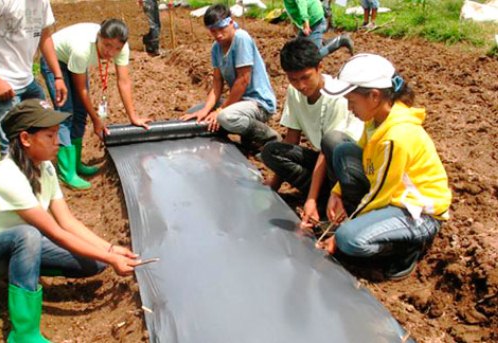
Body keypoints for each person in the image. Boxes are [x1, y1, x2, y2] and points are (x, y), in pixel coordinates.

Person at [0, 99, 140, 342]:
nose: (58, 141)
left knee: (95, 263)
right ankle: (24, 333)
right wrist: (112, 258)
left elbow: (68, 222)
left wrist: (110, 251)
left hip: (19, 245)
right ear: (26, 139)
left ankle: (24, 267)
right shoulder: (8, 177)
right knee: (27, 235)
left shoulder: (45, 169)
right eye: (50, 136)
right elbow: (56, 234)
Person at [317, 54, 451, 280]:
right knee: (341, 149)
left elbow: (380, 194)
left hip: (417, 211)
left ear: (374, 96)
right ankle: (363, 223)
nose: (350, 109)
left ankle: (405, 247)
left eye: (352, 102)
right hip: (391, 194)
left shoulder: (397, 136)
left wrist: (339, 233)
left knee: (348, 240)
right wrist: (336, 192)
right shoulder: (375, 120)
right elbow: (361, 155)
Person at [261, 38, 363, 230]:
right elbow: (292, 138)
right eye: (293, 79)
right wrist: (273, 186)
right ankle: (323, 198)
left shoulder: (336, 97)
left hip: (344, 166)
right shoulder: (295, 92)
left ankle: (333, 203)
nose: (301, 85)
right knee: (272, 152)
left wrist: (310, 200)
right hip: (324, 161)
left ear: (319, 67)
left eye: (306, 77)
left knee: (331, 145)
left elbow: (328, 151)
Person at [40, 19, 152, 189]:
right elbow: (81, 91)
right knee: (65, 113)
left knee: (79, 113)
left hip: (74, 61)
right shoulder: (82, 49)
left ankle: (76, 163)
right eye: (107, 45)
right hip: (54, 60)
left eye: (116, 49)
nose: (111, 52)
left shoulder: (121, 48)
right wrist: (96, 119)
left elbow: (124, 82)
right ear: (98, 36)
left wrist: (133, 116)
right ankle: (66, 172)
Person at [0, 0, 68, 156]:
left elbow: (45, 36)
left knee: (42, 134)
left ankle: (37, 177)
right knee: (12, 147)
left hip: (27, 80)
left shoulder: (42, 2)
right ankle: (18, 178)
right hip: (2, 85)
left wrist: (58, 76)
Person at [181, 4, 279, 150]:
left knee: (224, 117)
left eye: (221, 29)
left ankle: (269, 137)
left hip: (258, 103)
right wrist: (206, 109)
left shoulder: (241, 38)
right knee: (194, 115)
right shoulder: (216, 47)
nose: (218, 34)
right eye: (213, 31)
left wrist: (220, 110)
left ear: (231, 23)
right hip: (239, 101)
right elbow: (217, 82)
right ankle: (237, 132)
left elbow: (243, 80)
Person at [283, 0, 354, 57]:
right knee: (299, 51)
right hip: (309, 20)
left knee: (315, 56)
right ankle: (322, 43)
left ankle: (341, 41)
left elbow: (302, 3)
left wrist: (305, 23)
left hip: (315, 21)